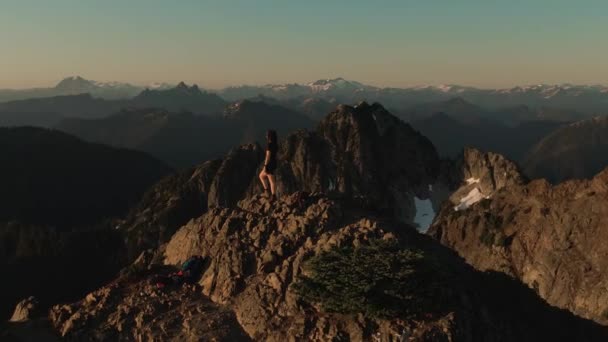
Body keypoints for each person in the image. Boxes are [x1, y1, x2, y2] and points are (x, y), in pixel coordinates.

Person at [259, 130, 278, 198]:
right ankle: (270, 193)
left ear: (269, 136)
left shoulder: (269, 145)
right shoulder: (275, 144)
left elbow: (268, 156)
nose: (266, 136)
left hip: (269, 164)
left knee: (271, 180)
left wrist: (265, 165)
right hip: (274, 163)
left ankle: (271, 195)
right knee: (262, 176)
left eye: (267, 135)